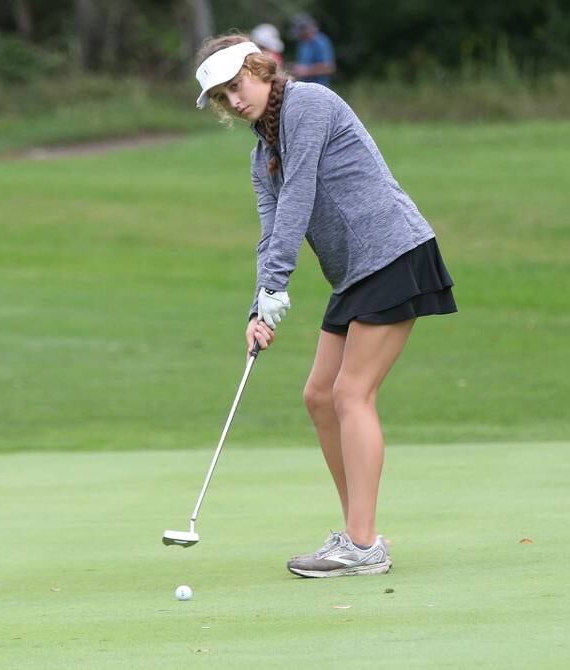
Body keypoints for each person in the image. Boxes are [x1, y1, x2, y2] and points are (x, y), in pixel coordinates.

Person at [193, 35, 456, 578]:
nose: (234, 101)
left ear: (261, 69)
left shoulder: (309, 104)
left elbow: (300, 196)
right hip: (355, 274)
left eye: (236, 86)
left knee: (351, 393)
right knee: (319, 396)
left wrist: (279, 283)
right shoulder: (261, 154)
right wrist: (259, 306)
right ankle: (357, 533)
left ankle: (362, 545)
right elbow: (271, 231)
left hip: (391, 251)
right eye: (222, 96)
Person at [290, 13, 334, 86]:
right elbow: (302, 65)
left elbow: (329, 67)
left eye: (299, 31)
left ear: (305, 29)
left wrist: (306, 71)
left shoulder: (321, 42)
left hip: (320, 88)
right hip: (305, 88)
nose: (299, 34)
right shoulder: (302, 43)